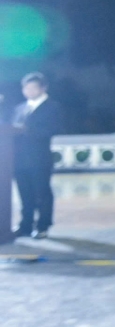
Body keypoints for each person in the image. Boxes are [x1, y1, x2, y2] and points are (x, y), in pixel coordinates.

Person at [11, 72, 64, 239]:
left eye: (33, 87)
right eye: (26, 88)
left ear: (43, 88)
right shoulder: (20, 108)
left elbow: (53, 129)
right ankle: (25, 224)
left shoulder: (52, 107)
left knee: (42, 192)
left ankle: (43, 225)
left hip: (39, 158)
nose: (29, 91)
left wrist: (28, 130)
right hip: (20, 159)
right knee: (24, 193)